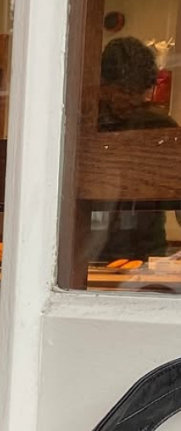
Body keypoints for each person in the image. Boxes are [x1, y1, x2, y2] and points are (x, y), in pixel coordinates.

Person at [93, 36, 179, 263]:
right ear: (102, 84)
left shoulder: (160, 129)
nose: (133, 100)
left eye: (140, 92)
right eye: (124, 91)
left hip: (148, 255)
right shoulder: (82, 127)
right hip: (86, 253)